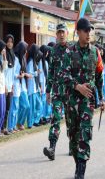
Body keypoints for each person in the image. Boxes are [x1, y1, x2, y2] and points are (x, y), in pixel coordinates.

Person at [63, 18, 104, 179]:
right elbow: (63, 76)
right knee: (73, 136)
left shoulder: (96, 52)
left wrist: (100, 98)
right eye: (85, 30)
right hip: (72, 101)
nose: (88, 34)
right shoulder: (69, 51)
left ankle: (81, 171)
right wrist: (77, 86)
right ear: (78, 32)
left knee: (84, 134)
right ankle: (77, 163)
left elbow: (100, 75)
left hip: (88, 101)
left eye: (90, 31)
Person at [43, 23, 70, 161]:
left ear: (67, 33)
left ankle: (73, 144)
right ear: (56, 34)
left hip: (71, 92)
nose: (61, 34)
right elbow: (51, 72)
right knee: (55, 118)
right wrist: (48, 91)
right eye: (58, 32)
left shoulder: (73, 49)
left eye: (63, 32)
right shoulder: (53, 51)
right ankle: (52, 148)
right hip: (57, 93)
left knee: (71, 120)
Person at [15, 41, 30, 130]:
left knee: (26, 106)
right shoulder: (16, 59)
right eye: (25, 49)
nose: (26, 51)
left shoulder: (23, 58)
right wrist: (22, 75)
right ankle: (19, 123)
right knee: (24, 105)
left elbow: (24, 72)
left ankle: (20, 123)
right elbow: (14, 72)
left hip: (23, 85)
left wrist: (25, 75)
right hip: (17, 85)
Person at [26, 44, 42, 128]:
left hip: (35, 88)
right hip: (31, 88)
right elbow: (28, 73)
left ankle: (35, 121)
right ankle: (30, 123)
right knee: (31, 107)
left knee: (38, 104)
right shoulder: (31, 61)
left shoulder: (34, 61)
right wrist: (36, 72)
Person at [2, 34, 15, 135]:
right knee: (4, 108)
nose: (9, 43)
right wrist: (6, 86)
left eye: (11, 41)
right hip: (4, 86)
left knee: (8, 108)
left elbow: (12, 73)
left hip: (10, 86)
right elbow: (4, 72)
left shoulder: (12, 54)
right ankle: (2, 128)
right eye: (8, 41)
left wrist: (12, 86)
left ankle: (4, 127)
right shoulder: (3, 54)